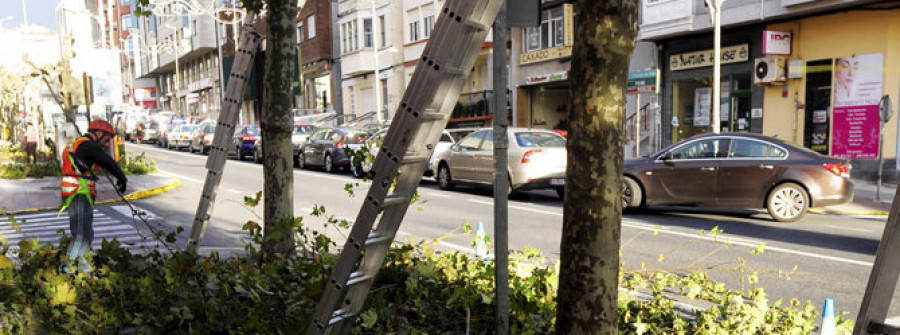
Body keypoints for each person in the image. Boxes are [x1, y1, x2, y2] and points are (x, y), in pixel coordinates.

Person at [59, 120, 127, 274]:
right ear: (98, 133)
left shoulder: (79, 144)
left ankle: (82, 265)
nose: (106, 143)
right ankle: (68, 268)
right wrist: (121, 177)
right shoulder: (87, 145)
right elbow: (106, 160)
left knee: (86, 232)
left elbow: (97, 160)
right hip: (79, 192)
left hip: (77, 191)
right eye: (106, 138)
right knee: (81, 234)